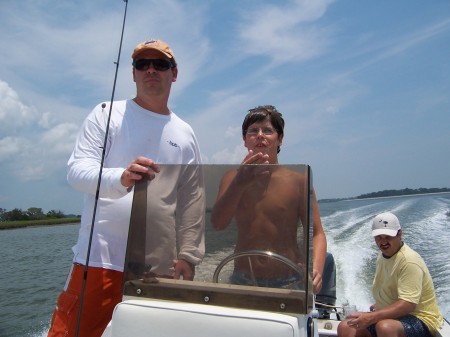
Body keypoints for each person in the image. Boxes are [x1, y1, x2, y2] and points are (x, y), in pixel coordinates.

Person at [47, 38, 205, 337]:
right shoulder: (106, 114)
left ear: (174, 73)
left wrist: (188, 255)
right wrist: (120, 178)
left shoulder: (185, 133)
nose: (150, 70)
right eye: (142, 64)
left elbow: (192, 201)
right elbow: (77, 171)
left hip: (158, 268)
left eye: (160, 64)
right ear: (133, 73)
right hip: (99, 260)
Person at [210, 105, 327, 293]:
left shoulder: (299, 181)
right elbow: (217, 224)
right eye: (253, 131)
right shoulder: (232, 178)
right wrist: (240, 182)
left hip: (289, 279)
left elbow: (316, 233)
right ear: (244, 140)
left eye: (268, 130)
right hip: (242, 278)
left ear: (280, 139)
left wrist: (316, 268)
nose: (260, 135)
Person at [337, 212, 444, 337]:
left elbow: (408, 304)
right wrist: (381, 305)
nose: (383, 242)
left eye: (388, 236)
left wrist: (372, 317)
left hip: (419, 318)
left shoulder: (409, 261)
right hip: (393, 317)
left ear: (399, 234)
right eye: (379, 237)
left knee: (385, 328)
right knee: (346, 327)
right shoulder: (383, 255)